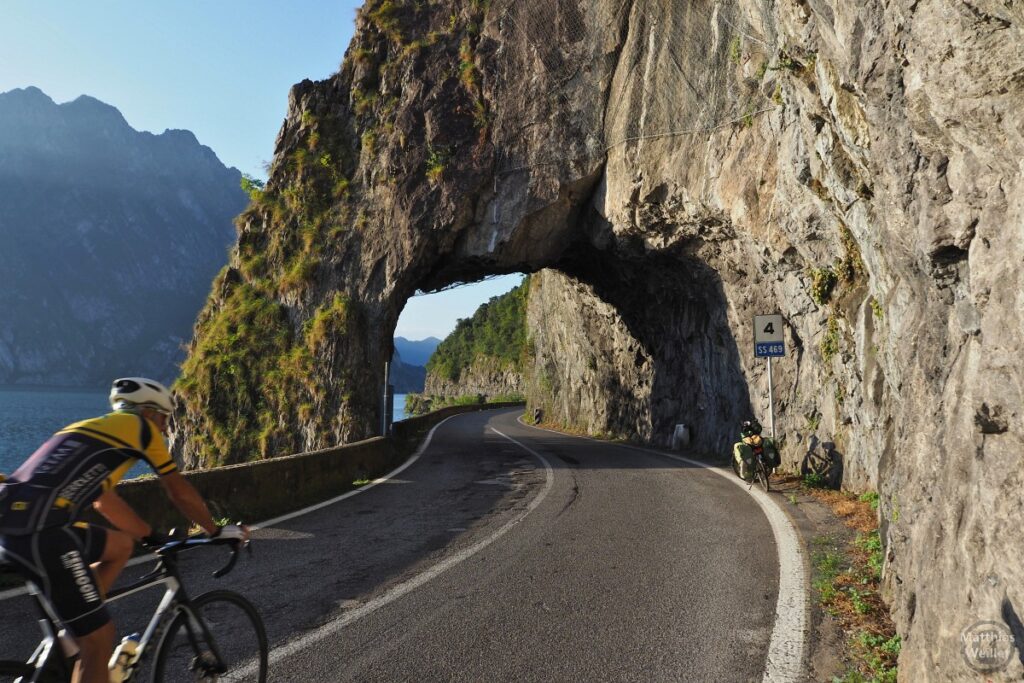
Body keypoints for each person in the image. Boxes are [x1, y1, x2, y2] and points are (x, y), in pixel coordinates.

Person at [0, 377, 248, 683]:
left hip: (16, 526)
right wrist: (214, 530)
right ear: (148, 412)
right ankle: (83, 635)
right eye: (163, 420)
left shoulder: (87, 430)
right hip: (45, 532)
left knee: (119, 546)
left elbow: (104, 501)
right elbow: (179, 491)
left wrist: (149, 536)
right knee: (99, 641)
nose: (164, 429)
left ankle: (72, 634)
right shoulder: (141, 430)